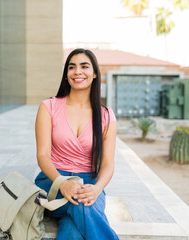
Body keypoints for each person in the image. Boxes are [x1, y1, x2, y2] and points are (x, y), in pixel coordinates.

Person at [34, 48, 119, 240]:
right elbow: (42, 156)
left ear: (95, 73)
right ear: (66, 75)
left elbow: (107, 164)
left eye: (84, 66)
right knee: (82, 206)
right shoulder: (48, 107)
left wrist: (97, 189)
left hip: (89, 184)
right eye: (71, 67)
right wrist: (62, 183)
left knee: (71, 229)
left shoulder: (106, 116)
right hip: (53, 181)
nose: (77, 72)